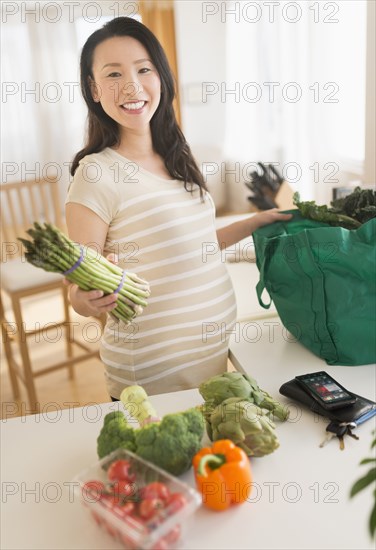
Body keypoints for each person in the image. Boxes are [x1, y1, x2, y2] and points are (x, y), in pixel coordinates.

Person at [65, 16, 292, 399]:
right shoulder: (96, 174)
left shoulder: (176, 156)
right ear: (94, 89)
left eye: (143, 69)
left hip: (212, 358)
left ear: (161, 77)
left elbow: (196, 243)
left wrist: (256, 221)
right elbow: (78, 287)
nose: (132, 86)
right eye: (114, 74)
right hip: (153, 377)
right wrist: (85, 299)